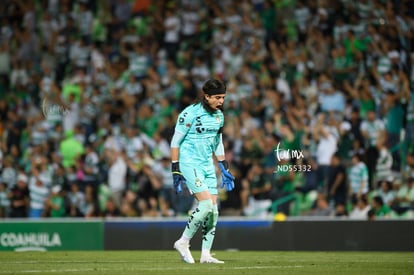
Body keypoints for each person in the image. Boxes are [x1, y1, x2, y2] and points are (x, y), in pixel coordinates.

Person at [170, 79, 235, 264]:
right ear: (206, 96)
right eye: (217, 97)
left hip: (207, 165)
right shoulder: (189, 114)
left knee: (213, 210)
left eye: (223, 97)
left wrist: (223, 166)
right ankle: (183, 242)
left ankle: (206, 254)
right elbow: (175, 142)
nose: (221, 101)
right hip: (190, 163)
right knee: (205, 204)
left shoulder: (219, 116)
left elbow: (218, 142)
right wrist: (175, 167)